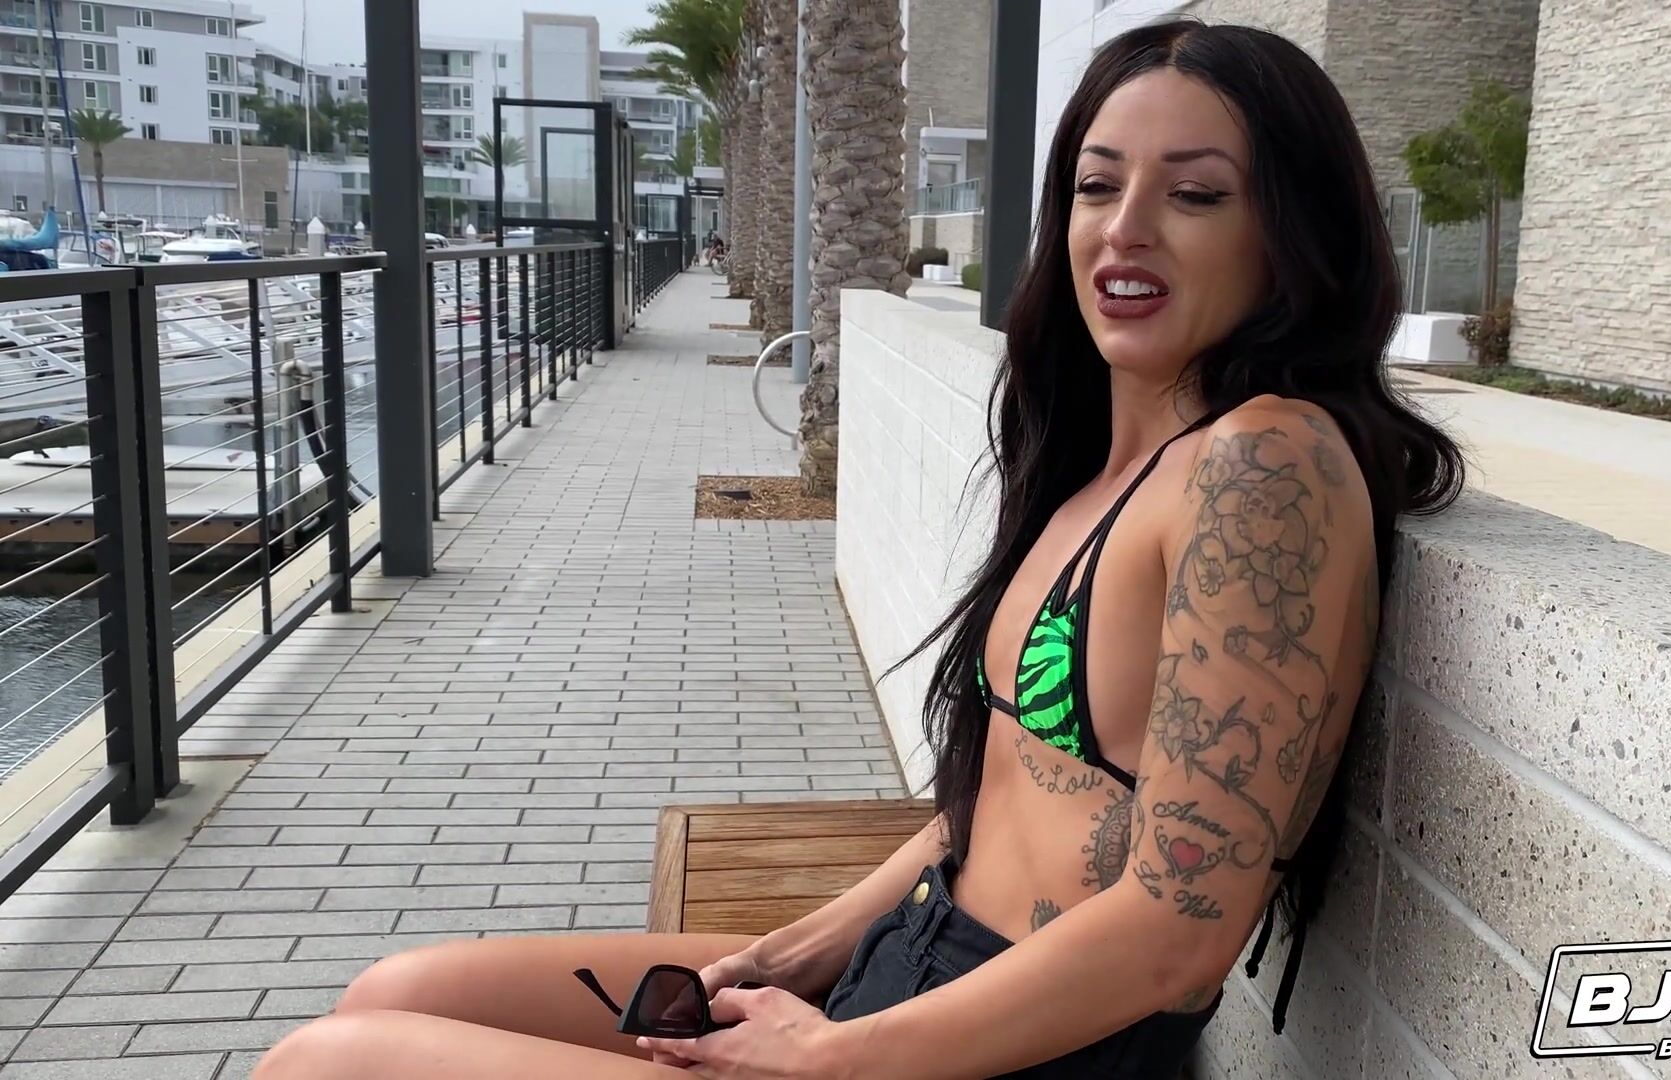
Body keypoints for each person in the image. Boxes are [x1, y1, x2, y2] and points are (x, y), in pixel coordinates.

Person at [252, 19, 1461, 1080]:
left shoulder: (1265, 466)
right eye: (1097, 187)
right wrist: (794, 953)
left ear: (1291, 234)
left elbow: (1181, 931)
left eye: (1195, 196)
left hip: (1004, 1047)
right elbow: (997, 797)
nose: (1125, 230)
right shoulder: (1106, 463)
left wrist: (829, 1057)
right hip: (912, 965)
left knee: (327, 1065)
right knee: (396, 992)